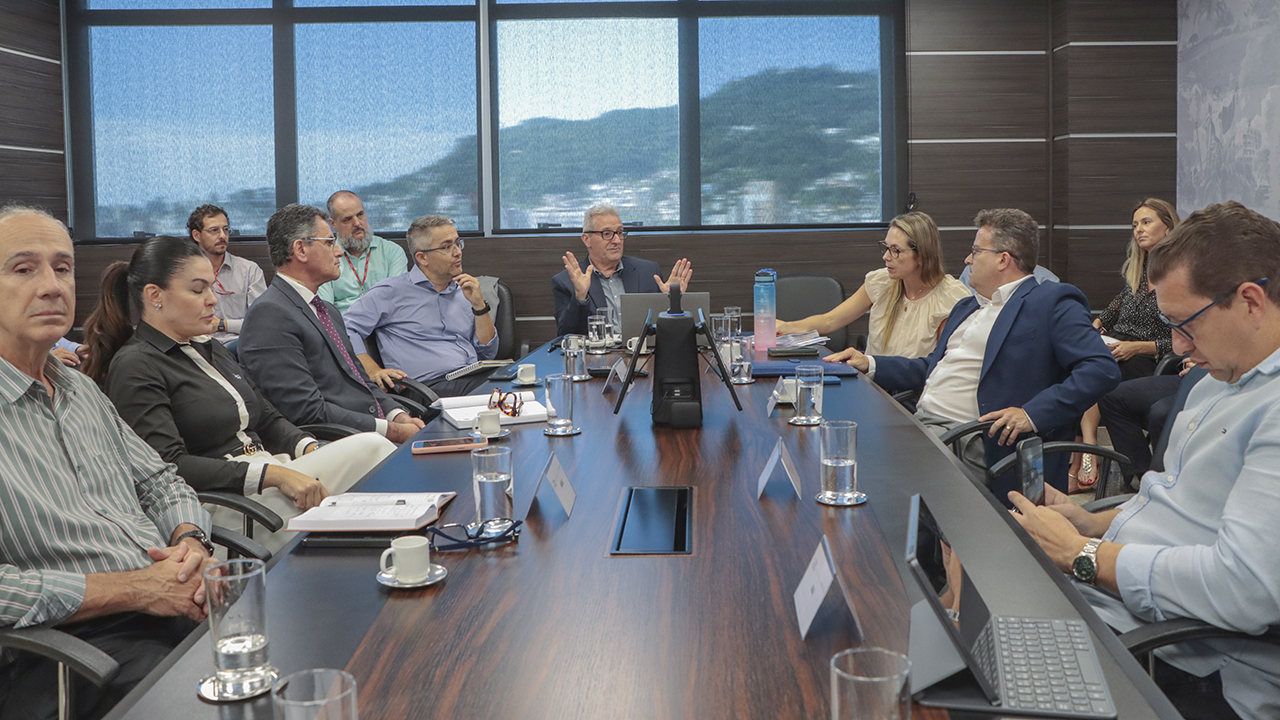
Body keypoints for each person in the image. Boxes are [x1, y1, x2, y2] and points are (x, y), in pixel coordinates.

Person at [1011, 201, 1280, 720]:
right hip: (1123, 607)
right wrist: (1092, 522)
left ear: (1250, 302)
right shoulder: (1218, 377)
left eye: (1185, 324)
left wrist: (1083, 553)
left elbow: (1244, 588)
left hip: (1185, 661)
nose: (1177, 347)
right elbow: (1177, 501)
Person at [0, 205, 214, 720]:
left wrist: (191, 542)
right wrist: (134, 589)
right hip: (69, 648)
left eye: (63, 268)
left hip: (172, 599)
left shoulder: (81, 390)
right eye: (24, 269)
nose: (52, 286)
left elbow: (160, 480)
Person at [84, 236, 397, 552]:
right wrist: (270, 474)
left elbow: (267, 417)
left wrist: (309, 447)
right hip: (224, 502)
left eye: (211, 288)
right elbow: (169, 466)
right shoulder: (136, 364)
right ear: (155, 296)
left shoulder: (207, 346)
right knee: (373, 458)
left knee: (376, 456)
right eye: (198, 290)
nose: (212, 300)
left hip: (270, 471)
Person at [832, 208, 1120, 501]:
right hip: (922, 424)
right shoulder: (966, 307)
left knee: (864, 469)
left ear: (1003, 259)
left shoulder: (1050, 301)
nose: (967, 260)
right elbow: (931, 367)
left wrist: (1031, 414)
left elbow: (1101, 368)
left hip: (973, 440)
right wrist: (871, 363)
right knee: (838, 440)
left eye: (976, 251)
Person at [239, 204, 424, 444]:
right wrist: (391, 431)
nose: (338, 252)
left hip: (371, 432)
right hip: (337, 441)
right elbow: (306, 411)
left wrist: (398, 415)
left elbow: (360, 379)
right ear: (300, 250)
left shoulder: (327, 310)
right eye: (329, 242)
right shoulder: (269, 314)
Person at [1073, 198, 1181, 491]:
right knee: (1078, 363)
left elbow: (1183, 339)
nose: (1138, 230)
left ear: (1168, 227)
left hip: (1150, 359)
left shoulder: (1182, 274)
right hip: (1116, 348)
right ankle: (1089, 448)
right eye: (1135, 225)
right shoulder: (1139, 271)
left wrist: (1139, 347)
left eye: (1146, 222)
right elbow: (1108, 316)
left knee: (1098, 371)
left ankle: (1094, 454)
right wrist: (1090, 332)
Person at [344, 215, 498, 398]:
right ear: (422, 257)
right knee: (501, 390)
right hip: (426, 388)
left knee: (518, 379)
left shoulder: (464, 292)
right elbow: (344, 328)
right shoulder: (391, 291)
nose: (457, 252)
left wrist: (479, 306)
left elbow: (487, 354)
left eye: (458, 243)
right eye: (447, 247)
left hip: (471, 376)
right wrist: (371, 370)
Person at [784, 211, 970, 358]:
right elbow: (830, 321)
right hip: (872, 383)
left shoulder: (950, 298)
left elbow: (939, 366)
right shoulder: (882, 282)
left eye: (896, 250)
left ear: (921, 255)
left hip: (913, 391)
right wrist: (786, 327)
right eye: (886, 247)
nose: (886, 257)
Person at [552, 204, 692, 336]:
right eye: (607, 234)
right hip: (598, 353)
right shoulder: (566, 281)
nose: (617, 240)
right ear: (587, 239)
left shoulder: (648, 272)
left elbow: (666, 330)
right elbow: (566, 335)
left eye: (619, 232)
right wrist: (580, 297)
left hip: (642, 351)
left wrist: (672, 301)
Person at [317, 191, 409, 312]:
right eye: (347, 219)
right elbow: (325, 310)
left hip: (384, 321)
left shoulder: (392, 252)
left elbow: (397, 301)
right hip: (343, 322)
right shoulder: (326, 257)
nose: (357, 223)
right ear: (333, 224)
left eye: (360, 215)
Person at [187, 204, 266, 344]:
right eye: (214, 230)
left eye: (226, 229)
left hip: (239, 344)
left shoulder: (249, 270)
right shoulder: (184, 272)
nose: (222, 236)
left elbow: (261, 321)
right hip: (198, 344)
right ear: (197, 235)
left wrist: (222, 324)